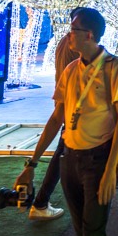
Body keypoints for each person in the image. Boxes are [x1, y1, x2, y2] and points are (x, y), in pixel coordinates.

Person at [16, 7, 118, 236]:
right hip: (70, 159)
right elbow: (57, 119)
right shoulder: (70, 70)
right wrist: (31, 165)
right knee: (82, 233)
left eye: (73, 30)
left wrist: (110, 170)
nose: (69, 35)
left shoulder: (114, 67)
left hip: (98, 160)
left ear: (89, 35)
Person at [27, 29, 78, 221]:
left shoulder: (65, 42)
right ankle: (41, 202)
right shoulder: (76, 55)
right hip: (73, 111)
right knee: (62, 152)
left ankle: (41, 202)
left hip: (66, 107)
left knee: (62, 151)